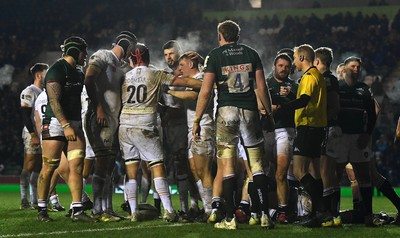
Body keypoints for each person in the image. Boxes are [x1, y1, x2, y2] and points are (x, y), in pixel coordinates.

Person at [193, 20, 275, 230]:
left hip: (226, 113)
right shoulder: (251, 53)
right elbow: (261, 87)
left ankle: (230, 219)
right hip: (249, 111)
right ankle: (264, 215)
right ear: (237, 35)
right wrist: (268, 113)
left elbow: (206, 91)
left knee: (227, 166)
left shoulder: (215, 55)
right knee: (257, 166)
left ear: (220, 35)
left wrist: (197, 120)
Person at [119, 43, 203, 222]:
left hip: (124, 125)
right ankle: (169, 210)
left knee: (132, 170)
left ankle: (134, 212)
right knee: (157, 166)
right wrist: (208, 84)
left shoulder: (125, 77)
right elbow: (186, 82)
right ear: (147, 58)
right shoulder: (155, 74)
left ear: (131, 60)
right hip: (145, 124)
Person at [37, 36, 96, 222]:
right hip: (56, 124)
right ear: (76, 51)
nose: (85, 55)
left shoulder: (78, 73)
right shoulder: (56, 70)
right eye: (84, 52)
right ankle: (42, 210)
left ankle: (77, 211)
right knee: (49, 166)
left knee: (76, 166)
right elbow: (54, 101)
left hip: (74, 124)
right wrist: (66, 125)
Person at [84, 31, 137, 222]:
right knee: (102, 164)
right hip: (100, 118)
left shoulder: (122, 66)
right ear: (129, 47)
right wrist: (98, 106)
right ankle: (98, 211)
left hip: (114, 121)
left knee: (109, 167)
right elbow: (89, 78)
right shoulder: (103, 55)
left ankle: (107, 209)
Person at [277, 44, 327, 227]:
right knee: (314, 172)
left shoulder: (308, 76)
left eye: (296, 58)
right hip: (318, 128)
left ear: (303, 58)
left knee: (299, 171)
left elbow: (304, 100)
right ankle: (316, 214)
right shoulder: (317, 76)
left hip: (308, 127)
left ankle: (322, 210)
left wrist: (283, 108)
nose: (293, 62)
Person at [335, 56, 383, 227]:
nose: (356, 69)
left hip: (358, 138)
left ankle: (368, 216)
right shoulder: (337, 87)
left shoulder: (364, 89)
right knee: (335, 176)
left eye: (358, 67)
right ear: (345, 68)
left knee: (364, 177)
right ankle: (333, 215)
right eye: (353, 66)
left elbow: (372, 113)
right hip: (340, 138)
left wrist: (367, 134)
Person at [169, 51, 215, 221]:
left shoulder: (203, 77)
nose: (179, 68)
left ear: (189, 65)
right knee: (195, 171)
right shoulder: (190, 81)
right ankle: (206, 207)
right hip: (192, 130)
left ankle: (212, 210)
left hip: (204, 127)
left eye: (181, 65)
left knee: (204, 171)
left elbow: (194, 96)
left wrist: (169, 91)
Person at [160, 40, 201, 217]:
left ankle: (193, 206)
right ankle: (188, 207)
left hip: (186, 121)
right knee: (180, 166)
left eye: (171, 53)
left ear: (179, 53)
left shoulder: (189, 73)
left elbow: (196, 90)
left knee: (190, 166)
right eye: (166, 55)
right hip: (171, 123)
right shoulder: (165, 75)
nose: (168, 57)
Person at [263, 53, 298, 224]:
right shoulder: (265, 83)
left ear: (290, 68)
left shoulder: (295, 86)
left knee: (281, 173)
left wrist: (290, 97)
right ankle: (266, 209)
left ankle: (283, 210)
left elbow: (302, 104)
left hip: (286, 130)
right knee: (264, 174)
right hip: (266, 131)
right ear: (274, 66)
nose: (283, 69)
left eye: (286, 66)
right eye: (280, 65)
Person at [313, 47, 341, 226]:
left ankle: (327, 213)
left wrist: (322, 122)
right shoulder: (332, 79)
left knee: (324, 171)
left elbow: (334, 107)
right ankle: (333, 213)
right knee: (328, 171)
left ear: (316, 61)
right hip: (333, 128)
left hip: (327, 128)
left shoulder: (326, 80)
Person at [20, 63, 48, 209]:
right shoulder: (29, 91)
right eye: (45, 72)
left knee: (38, 166)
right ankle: (24, 200)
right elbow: (25, 115)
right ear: (39, 75)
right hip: (32, 133)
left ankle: (34, 200)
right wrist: (33, 134)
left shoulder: (43, 91)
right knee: (29, 164)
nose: (47, 75)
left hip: (43, 132)